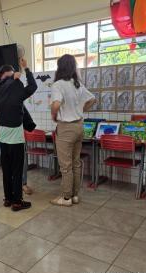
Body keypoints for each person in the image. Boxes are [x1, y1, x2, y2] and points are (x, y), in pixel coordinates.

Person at [50, 54, 96, 206]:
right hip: (79, 126)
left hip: (66, 128)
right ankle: (75, 195)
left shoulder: (58, 85)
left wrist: (53, 115)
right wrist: (81, 110)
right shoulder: (77, 84)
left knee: (66, 165)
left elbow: (56, 104)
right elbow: (92, 99)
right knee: (76, 162)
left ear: (60, 67)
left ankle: (66, 198)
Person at [0, 58, 37, 212]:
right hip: (16, 138)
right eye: (10, 75)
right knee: (17, 171)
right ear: (6, 77)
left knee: (7, 171)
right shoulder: (15, 88)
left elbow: (4, 84)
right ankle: (17, 202)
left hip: (4, 138)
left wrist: (11, 78)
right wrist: (26, 69)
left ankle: (8, 199)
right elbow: (33, 86)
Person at [0, 83, 33, 195]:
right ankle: (11, 188)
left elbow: (22, 112)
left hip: (16, 133)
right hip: (1, 133)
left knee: (21, 161)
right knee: (7, 162)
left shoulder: (15, 93)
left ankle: (22, 184)